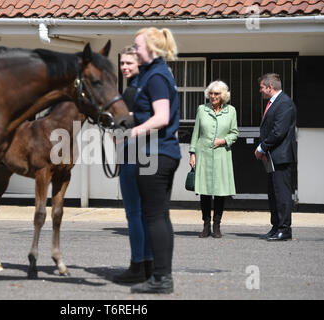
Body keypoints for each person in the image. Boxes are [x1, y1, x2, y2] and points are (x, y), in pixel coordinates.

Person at [128, 27, 181, 294]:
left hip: (156, 154)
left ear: (152, 48)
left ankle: (161, 279)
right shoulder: (157, 73)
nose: (134, 50)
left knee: (155, 217)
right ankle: (162, 277)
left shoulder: (157, 75)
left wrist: (131, 132)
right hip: (163, 153)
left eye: (137, 46)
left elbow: (161, 117)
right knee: (160, 217)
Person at [113, 46, 154, 284]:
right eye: (122, 63)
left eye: (129, 63)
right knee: (145, 213)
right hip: (148, 156)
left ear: (139, 63)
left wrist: (117, 129)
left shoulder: (133, 91)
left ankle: (137, 264)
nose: (125, 67)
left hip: (133, 155)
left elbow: (127, 126)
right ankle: (147, 264)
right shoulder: (148, 86)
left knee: (134, 213)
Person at [189, 81, 238, 238]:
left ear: (223, 95)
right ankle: (205, 225)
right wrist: (192, 153)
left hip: (222, 155)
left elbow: (234, 133)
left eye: (216, 93)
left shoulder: (231, 111)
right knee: (204, 192)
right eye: (211, 93)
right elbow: (196, 133)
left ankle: (217, 225)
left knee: (220, 192)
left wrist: (223, 140)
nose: (213, 96)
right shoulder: (202, 110)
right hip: (203, 153)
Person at [255, 73, 297, 241]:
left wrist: (262, 147)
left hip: (281, 156)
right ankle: (276, 226)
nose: (261, 91)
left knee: (282, 194)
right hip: (273, 157)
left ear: (270, 87)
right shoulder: (275, 103)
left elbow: (279, 131)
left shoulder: (284, 103)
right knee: (273, 194)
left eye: (262, 88)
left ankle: (284, 229)